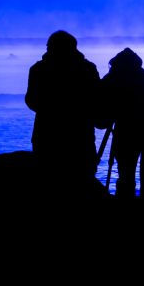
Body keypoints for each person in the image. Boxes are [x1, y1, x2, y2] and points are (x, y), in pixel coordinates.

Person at [25, 30, 102, 184]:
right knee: (82, 180)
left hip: (47, 134)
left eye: (49, 46)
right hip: (80, 134)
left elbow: (31, 100)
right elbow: (97, 99)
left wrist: (50, 109)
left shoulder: (38, 69)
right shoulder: (87, 68)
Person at [99, 47, 144, 206]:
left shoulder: (113, 79)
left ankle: (125, 207)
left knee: (126, 174)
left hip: (130, 132)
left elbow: (102, 111)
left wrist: (103, 120)